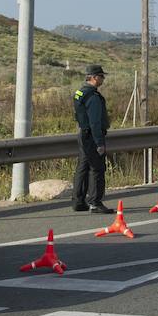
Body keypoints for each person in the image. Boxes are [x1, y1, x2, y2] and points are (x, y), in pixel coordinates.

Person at [71, 64, 113, 214]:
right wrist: (99, 143)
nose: (103, 79)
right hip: (92, 136)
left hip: (83, 134)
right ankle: (95, 202)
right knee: (97, 169)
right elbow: (95, 121)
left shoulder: (80, 93)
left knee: (82, 168)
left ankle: (78, 201)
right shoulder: (93, 97)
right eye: (101, 76)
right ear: (94, 78)